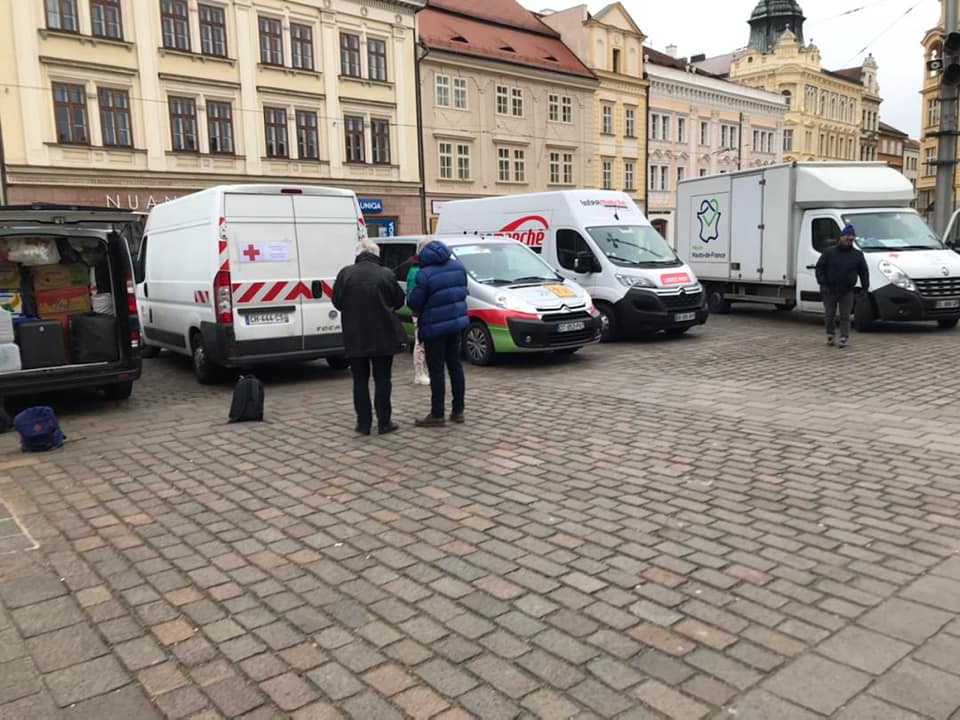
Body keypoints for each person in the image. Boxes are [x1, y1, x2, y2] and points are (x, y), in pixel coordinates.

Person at [332, 239, 407, 435]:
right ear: (376, 254)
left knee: (359, 380)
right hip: (383, 334)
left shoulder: (345, 274)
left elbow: (337, 302)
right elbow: (399, 300)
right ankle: (384, 422)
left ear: (358, 254)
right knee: (383, 379)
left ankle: (363, 424)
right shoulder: (386, 274)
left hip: (355, 335)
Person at [407, 239, 468, 427]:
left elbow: (414, 302)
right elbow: (463, 292)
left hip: (434, 328)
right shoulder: (459, 267)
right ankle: (458, 411)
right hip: (455, 324)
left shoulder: (425, 274)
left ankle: (437, 413)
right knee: (455, 366)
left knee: (437, 370)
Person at [815, 224, 869, 348]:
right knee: (830, 315)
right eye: (847, 236)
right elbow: (819, 268)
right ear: (841, 237)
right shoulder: (829, 252)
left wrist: (865, 288)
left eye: (852, 237)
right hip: (829, 289)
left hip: (847, 291)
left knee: (845, 316)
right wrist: (822, 283)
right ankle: (830, 334)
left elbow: (864, 272)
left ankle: (843, 336)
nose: (850, 239)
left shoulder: (857, 255)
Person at [406, 239, 431, 386]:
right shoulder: (417, 270)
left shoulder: (418, 268)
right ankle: (419, 372)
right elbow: (413, 296)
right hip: (420, 312)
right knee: (420, 343)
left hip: (425, 311)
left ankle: (423, 371)